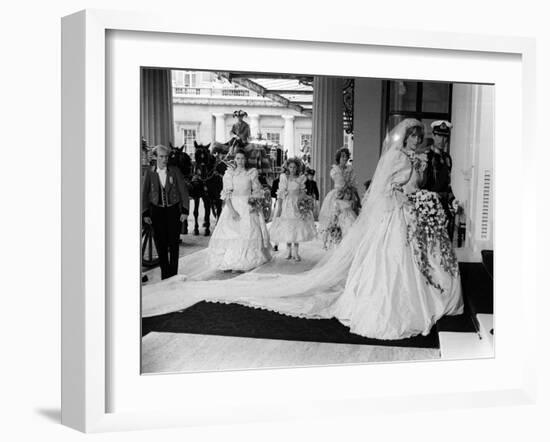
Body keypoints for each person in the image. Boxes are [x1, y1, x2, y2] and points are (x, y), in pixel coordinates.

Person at [142, 119, 463, 340]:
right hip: (393, 215)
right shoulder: (395, 157)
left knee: (405, 260)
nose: (417, 141)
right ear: (405, 138)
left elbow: (408, 186)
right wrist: (409, 194)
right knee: (390, 261)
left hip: (405, 216)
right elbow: (383, 189)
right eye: (414, 137)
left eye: (419, 138)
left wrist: (419, 195)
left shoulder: (415, 159)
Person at [207, 149, 271, 272]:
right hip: (234, 206)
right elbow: (226, 195)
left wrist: (254, 203)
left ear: (245, 160)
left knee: (248, 232)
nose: (240, 161)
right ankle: (229, 261)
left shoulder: (251, 173)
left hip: (247, 206)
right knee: (231, 233)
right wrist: (232, 211)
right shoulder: (229, 174)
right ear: (234, 160)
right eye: (237, 158)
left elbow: (257, 191)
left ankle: (242, 261)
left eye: (242, 158)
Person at [141, 145, 189, 279]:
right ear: (155, 157)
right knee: (160, 244)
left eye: (166, 156)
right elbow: (144, 193)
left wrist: (185, 210)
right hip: (156, 212)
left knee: (174, 244)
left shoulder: (174, 171)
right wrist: (145, 213)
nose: (164, 159)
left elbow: (183, 192)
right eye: (161, 156)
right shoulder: (150, 173)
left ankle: (174, 275)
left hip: (174, 211)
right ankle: (165, 275)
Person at [269, 158, 317, 261]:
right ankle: (288, 251)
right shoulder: (284, 178)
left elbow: (303, 191)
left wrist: (300, 201)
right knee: (288, 226)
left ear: (297, 168)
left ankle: (295, 252)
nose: (292, 169)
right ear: (287, 167)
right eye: (290, 167)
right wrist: (280, 206)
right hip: (287, 204)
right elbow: (281, 193)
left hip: (296, 203)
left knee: (296, 227)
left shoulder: (300, 178)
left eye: (294, 167)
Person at [318, 147, 357, 248]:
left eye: (346, 156)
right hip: (338, 195)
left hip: (348, 195)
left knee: (349, 217)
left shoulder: (350, 169)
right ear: (338, 158)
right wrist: (346, 187)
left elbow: (352, 183)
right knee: (335, 216)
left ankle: (347, 244)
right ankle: (335, 241)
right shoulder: (335, 170)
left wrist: (352, 193)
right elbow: (341, 183)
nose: (344, 158)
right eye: (342, 156)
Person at [423, 120, 455, 239]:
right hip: (429, 207)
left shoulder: (447, 158)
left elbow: (447, 185)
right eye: (439, 136)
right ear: (433, 135)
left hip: (444, 208)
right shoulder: (426, 156)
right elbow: (423, 184)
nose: (442, 140)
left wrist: (453, 200)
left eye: (445, 137)